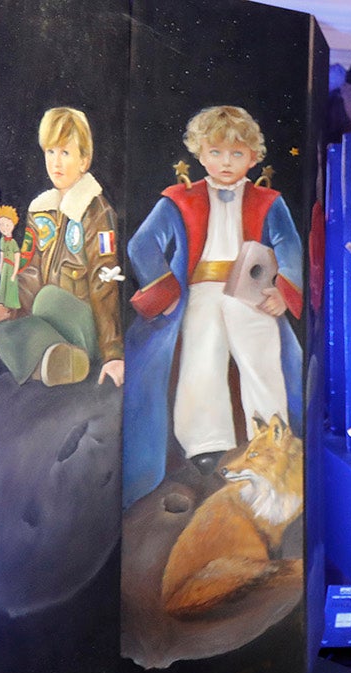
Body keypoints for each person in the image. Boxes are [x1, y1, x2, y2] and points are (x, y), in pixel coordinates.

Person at [123, 106, 304, 505]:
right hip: (201, 290)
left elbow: (290, 247)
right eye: (217, 153)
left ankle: (272, 438)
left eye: (237, 154)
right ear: (200, 154)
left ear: (254, 158)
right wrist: (166, 293)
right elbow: (142, 245)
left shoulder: (269, 201)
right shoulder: (180, 199)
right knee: (202, 357)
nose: (226, 163)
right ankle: (206, 444)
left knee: (262, 359)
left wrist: (282, 290)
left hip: (252, 292)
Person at [0, 107, 123, 389]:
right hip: (48, 323)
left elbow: (103, 283)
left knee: (46, 298)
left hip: (82, 324)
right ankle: (53, 361)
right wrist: (5, 305)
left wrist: (113, 353)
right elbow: (30, 272)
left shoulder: (96, 212)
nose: (56, 163)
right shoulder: (41, 210)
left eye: (66, 153)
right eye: (51, 152)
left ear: (84, 160)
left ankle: (58, 357)